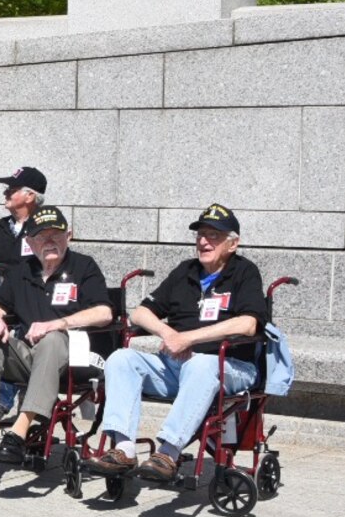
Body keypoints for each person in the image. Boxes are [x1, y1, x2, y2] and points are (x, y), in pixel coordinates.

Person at [87, 205, 269, 483]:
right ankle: (123, 450)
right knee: (121, 359)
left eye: (213, 236)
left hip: (230, 367)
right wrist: (167, 333)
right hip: (178, 365)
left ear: (233, 243)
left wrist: (189, 338)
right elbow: (140, 312)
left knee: (201, 363)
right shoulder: (185, 271)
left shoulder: (244, 272)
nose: (203, 241)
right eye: (200, 235)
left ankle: (168, 453)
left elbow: (248, 324)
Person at [0, 206, 113, 459]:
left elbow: (104, 313)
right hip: (28, 355)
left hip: (73, 357)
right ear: (30, 242)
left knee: (53, 339)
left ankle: (18, 432)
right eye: (41, 236)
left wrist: (57, 324)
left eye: (55, 235)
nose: (49, 242)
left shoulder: (84, 266)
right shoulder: (22, 271)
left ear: (68, 235)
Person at [0, 166, 45, 293]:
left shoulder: (44, 228)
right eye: (7, 189)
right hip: (1, 302)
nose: (5, 193)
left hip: (34, 302)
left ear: (29, 196)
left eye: (12, 190)